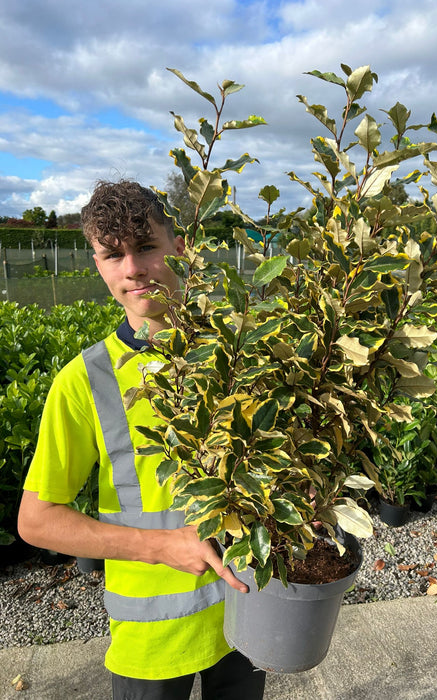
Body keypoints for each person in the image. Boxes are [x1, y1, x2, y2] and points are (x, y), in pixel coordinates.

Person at [18, 180, 266, 700]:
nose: (133, 269)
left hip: (249, 610)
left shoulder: (242, 352)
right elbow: (36, 520)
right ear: (98, 263)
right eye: (114, 255)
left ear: (180, 246)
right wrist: (161, 547)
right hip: (151, 640)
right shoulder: (85, 380)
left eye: (147, 247)